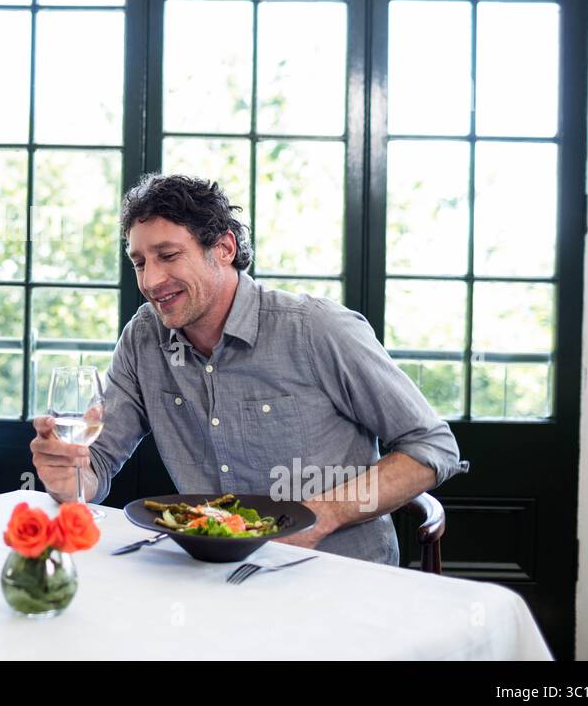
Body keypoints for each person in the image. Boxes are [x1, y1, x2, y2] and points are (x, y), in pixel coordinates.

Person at [29, 173, 470, 565]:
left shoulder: (316, 329)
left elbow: (432, 447)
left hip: (336, 577)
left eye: (168, 255)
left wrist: (320, 517)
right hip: (209, 578)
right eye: (140, 262)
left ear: (223, 248)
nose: (150, 281)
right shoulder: (145, 338)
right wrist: (66, 476)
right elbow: (97, 466)